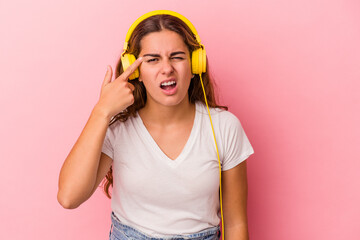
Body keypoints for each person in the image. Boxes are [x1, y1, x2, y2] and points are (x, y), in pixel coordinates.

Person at [57, 10, 254, 240]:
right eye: (152, 59)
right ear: (136, 71)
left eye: (177, 57)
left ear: (194, 65)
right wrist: (101, 111)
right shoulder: (118, 127)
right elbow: (69, 197)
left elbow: (236, 224)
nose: (167, 68)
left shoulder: (224, 128)